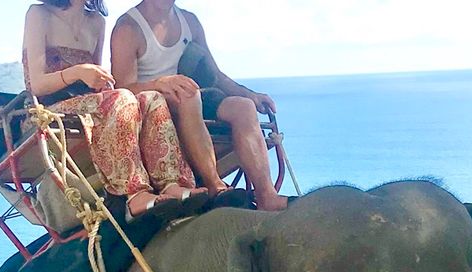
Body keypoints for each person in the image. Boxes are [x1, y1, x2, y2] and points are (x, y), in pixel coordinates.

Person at [23, 0, 207, 222]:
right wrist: (78, 72)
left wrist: (100, 82)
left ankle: (172, 183)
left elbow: (95, 84)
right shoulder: (39, 13)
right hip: (49, 110)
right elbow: (37, 85)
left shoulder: (96, 21)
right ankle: (135, 193)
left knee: (152, 97)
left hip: (88, 104)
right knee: (122, 97)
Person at [110, 1, 288, 212]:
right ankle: (215, 186)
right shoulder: (128, 27)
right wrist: (160, 83)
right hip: (152, 105)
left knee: (243, 107)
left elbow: (215, 75)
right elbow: (123, 88)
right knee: (189, 96)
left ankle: (267, 196)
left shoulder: (190, 21)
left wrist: (250, 94)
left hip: (190, 95)